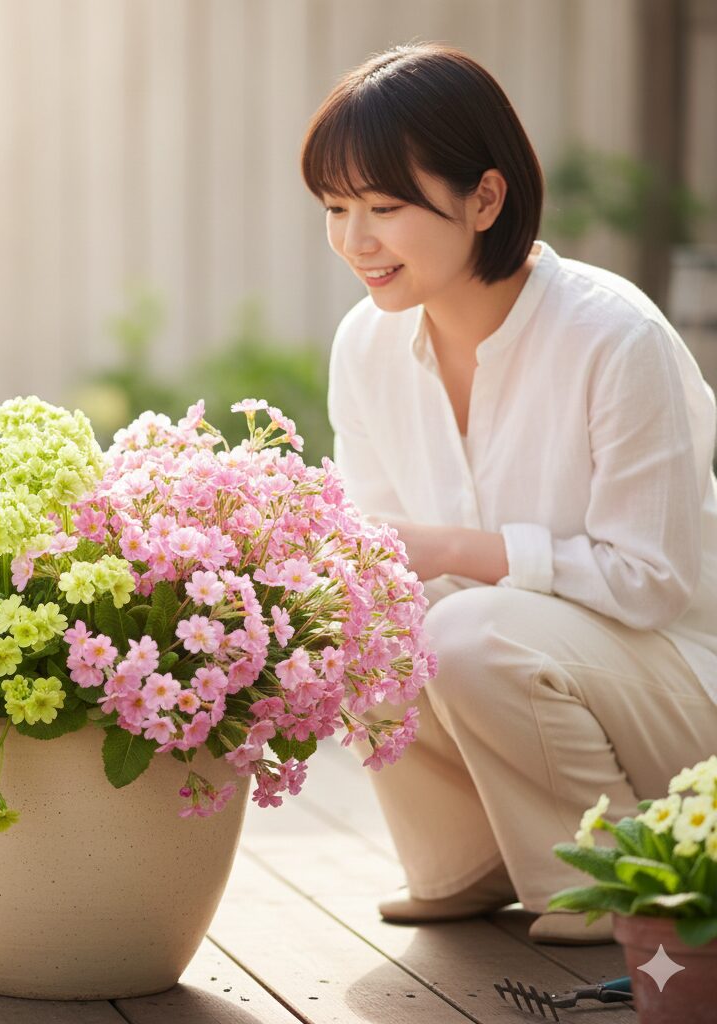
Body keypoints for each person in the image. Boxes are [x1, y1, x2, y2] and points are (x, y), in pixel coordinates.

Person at [300, 42, 717, 946]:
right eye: (335, 209)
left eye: (384, 206)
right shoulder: (365, 346)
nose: (354, 240)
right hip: (530, 679)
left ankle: (610, 882)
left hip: (681, 702)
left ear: (484, 199)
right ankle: (463, 863)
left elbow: (652, 582)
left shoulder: (614, 336)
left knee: (467, 627)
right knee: (359, 607)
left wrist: (453, 550)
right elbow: (381, 554)